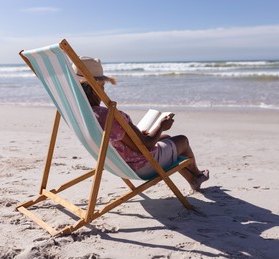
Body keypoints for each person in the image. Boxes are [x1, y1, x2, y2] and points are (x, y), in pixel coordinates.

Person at [73, 56, 209, 191]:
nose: (104, 91)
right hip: (140, 166)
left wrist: (139, 135)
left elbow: (124, 140)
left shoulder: (82, 113)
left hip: (117, 163)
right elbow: (145, 145)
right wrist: (161, 126)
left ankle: (192, 178)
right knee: (182, 141)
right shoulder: (110, 116)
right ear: (93, 89)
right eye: (102, 86)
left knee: (166, 138)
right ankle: (196, 176)